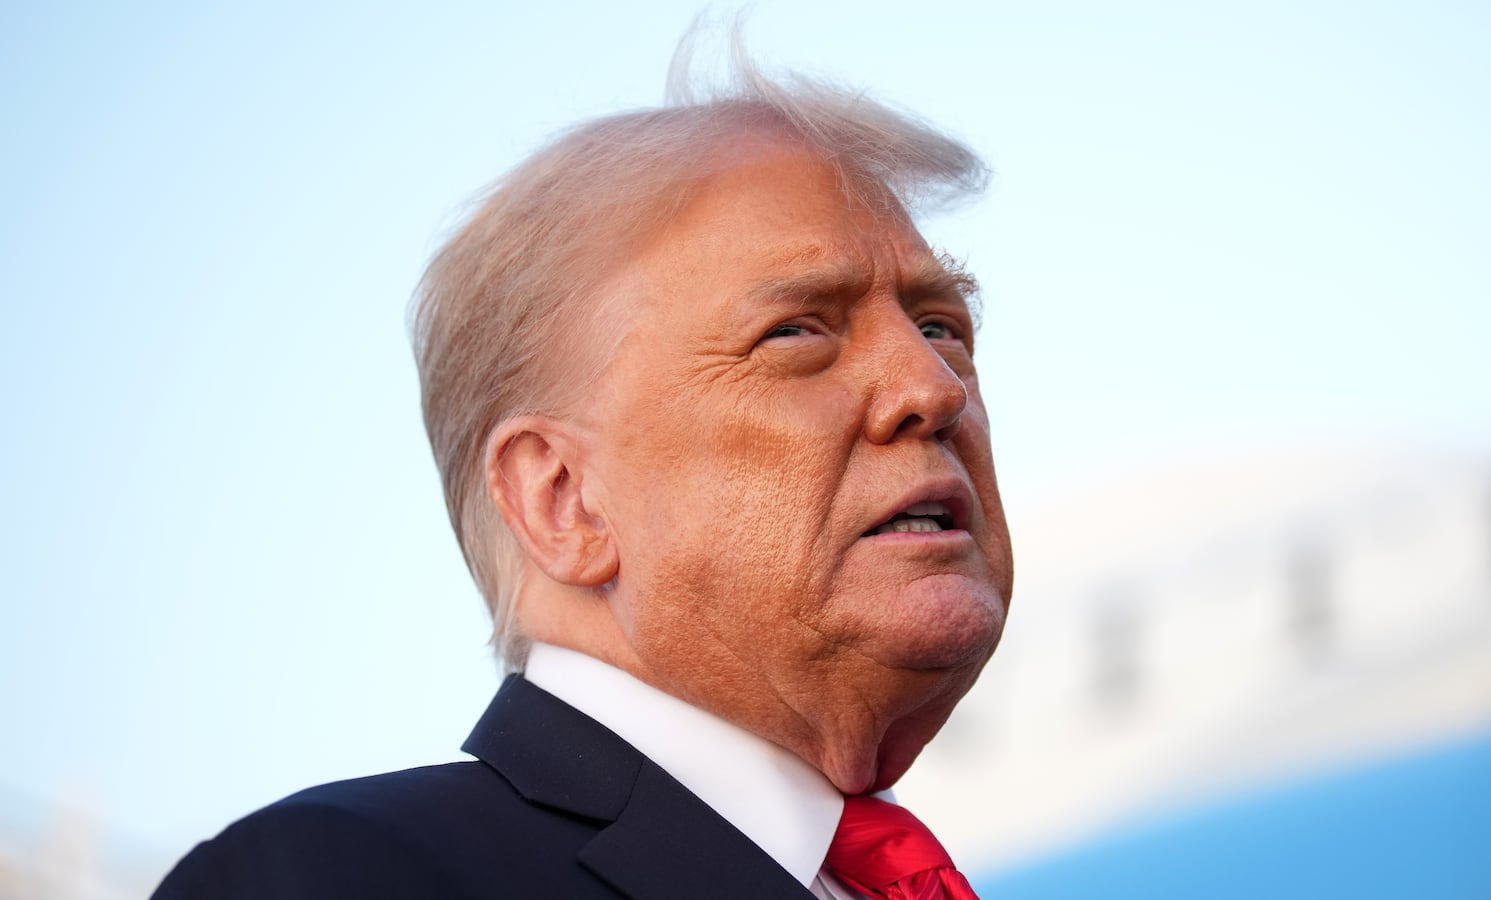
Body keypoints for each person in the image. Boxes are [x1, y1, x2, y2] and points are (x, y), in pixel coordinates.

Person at [153, 43, 1013, 900]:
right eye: (795, 332)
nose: (931, 388)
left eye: (940, 326)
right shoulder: (344, 875)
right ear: (562, 500)